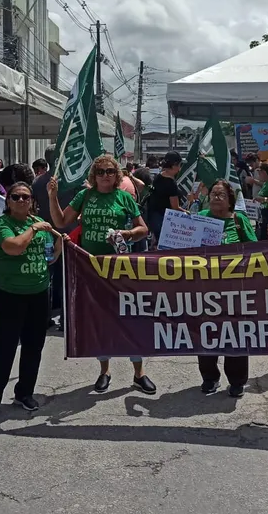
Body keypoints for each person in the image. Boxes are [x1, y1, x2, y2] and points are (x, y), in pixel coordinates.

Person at [48, 155, 154, 394]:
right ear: (93, 176)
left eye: (109, 171)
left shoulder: (125, 197)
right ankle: (104, 370)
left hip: (119, 268)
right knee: (101, 321)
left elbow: (143, 229)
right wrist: (52, 196)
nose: (105, 175)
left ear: (117, 175)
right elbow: (61, 220)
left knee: (129, 318)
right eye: (100, 172)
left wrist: (126, 234)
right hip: (91, 268)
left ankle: (139, 373)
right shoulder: (85, 196)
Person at [0, 181, 62, 420]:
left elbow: (50, 256)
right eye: (15, 197)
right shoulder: (2, 224)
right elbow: (13, 248)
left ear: (32, 201)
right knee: (5, 349)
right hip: (10, 294)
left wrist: (58, 245)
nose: (21, 201)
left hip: (38, 293)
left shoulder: (36, 224)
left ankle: (24, 392)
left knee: (33, 347)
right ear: (8, 201)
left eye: (26, 197)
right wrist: (36, 229)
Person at [196, 180, 256, 398]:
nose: (215, 197)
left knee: (235, 334)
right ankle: (209, 377)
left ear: (231, 200)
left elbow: (254, 249)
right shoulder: (200, 217)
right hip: (204, 289)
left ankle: (237, 381)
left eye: (221, 194)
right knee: (206, 333)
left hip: (234, 289)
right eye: (213, 193)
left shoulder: (239, 220)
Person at [147, 151, 183, 242]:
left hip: (154, 219)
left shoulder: (158, 177)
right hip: (165, 222)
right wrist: (188, 213)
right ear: (174, 165)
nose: (180, 168)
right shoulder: (171, 183)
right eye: (179, 165)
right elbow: (175, 207)